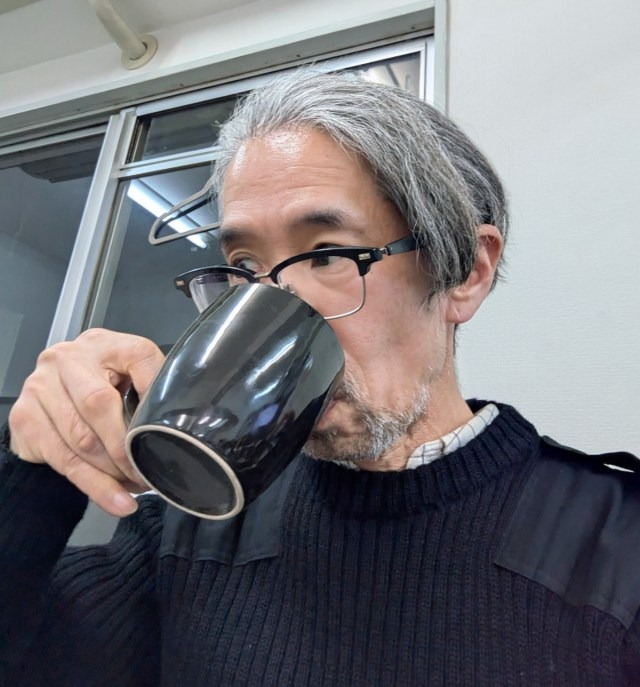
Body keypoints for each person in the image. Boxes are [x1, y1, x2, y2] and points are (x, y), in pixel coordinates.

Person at [1, 69, 638, 687]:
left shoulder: (615, 546)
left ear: (466, 273)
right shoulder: (188, 528)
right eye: (244, 266)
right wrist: (33, 470)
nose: (272, 309)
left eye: (328, 254)